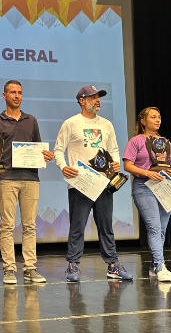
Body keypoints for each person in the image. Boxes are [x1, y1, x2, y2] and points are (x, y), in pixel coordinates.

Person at [53, 85, 132, 282]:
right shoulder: (71, 123)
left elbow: (113, 148)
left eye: (99, 97)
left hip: (103, 183)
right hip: (81, 183)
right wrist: (63, 167)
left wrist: (114, 164)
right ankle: (73, 265)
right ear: (82, 100)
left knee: (106, 226)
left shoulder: (106, 124)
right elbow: (58, 150)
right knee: (77, 226)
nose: (98, 100)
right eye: (93, 97)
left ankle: (113, 265)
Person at [0, 80, 54, 284]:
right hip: (6, 178)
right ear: (4, 95)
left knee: (30, 226)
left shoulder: (31, 120)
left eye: (19, 93)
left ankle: (30, 268)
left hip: (31, 178)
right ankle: (9, 269)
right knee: (7, 226)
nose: (16, 96)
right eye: (12, 92)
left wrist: (44, 155)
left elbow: (37, 148)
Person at [122, 107, 171, 282]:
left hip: (164, 187)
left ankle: (155, 266)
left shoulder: (165, 142)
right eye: (153, 117)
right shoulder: (136, 141)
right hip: (144, 186)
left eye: (159, 117)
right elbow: (128, 166)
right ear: (143, 121)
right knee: (154, 227)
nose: (157, 120)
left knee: (161, 228)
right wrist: (147, 173)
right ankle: (161, 266)